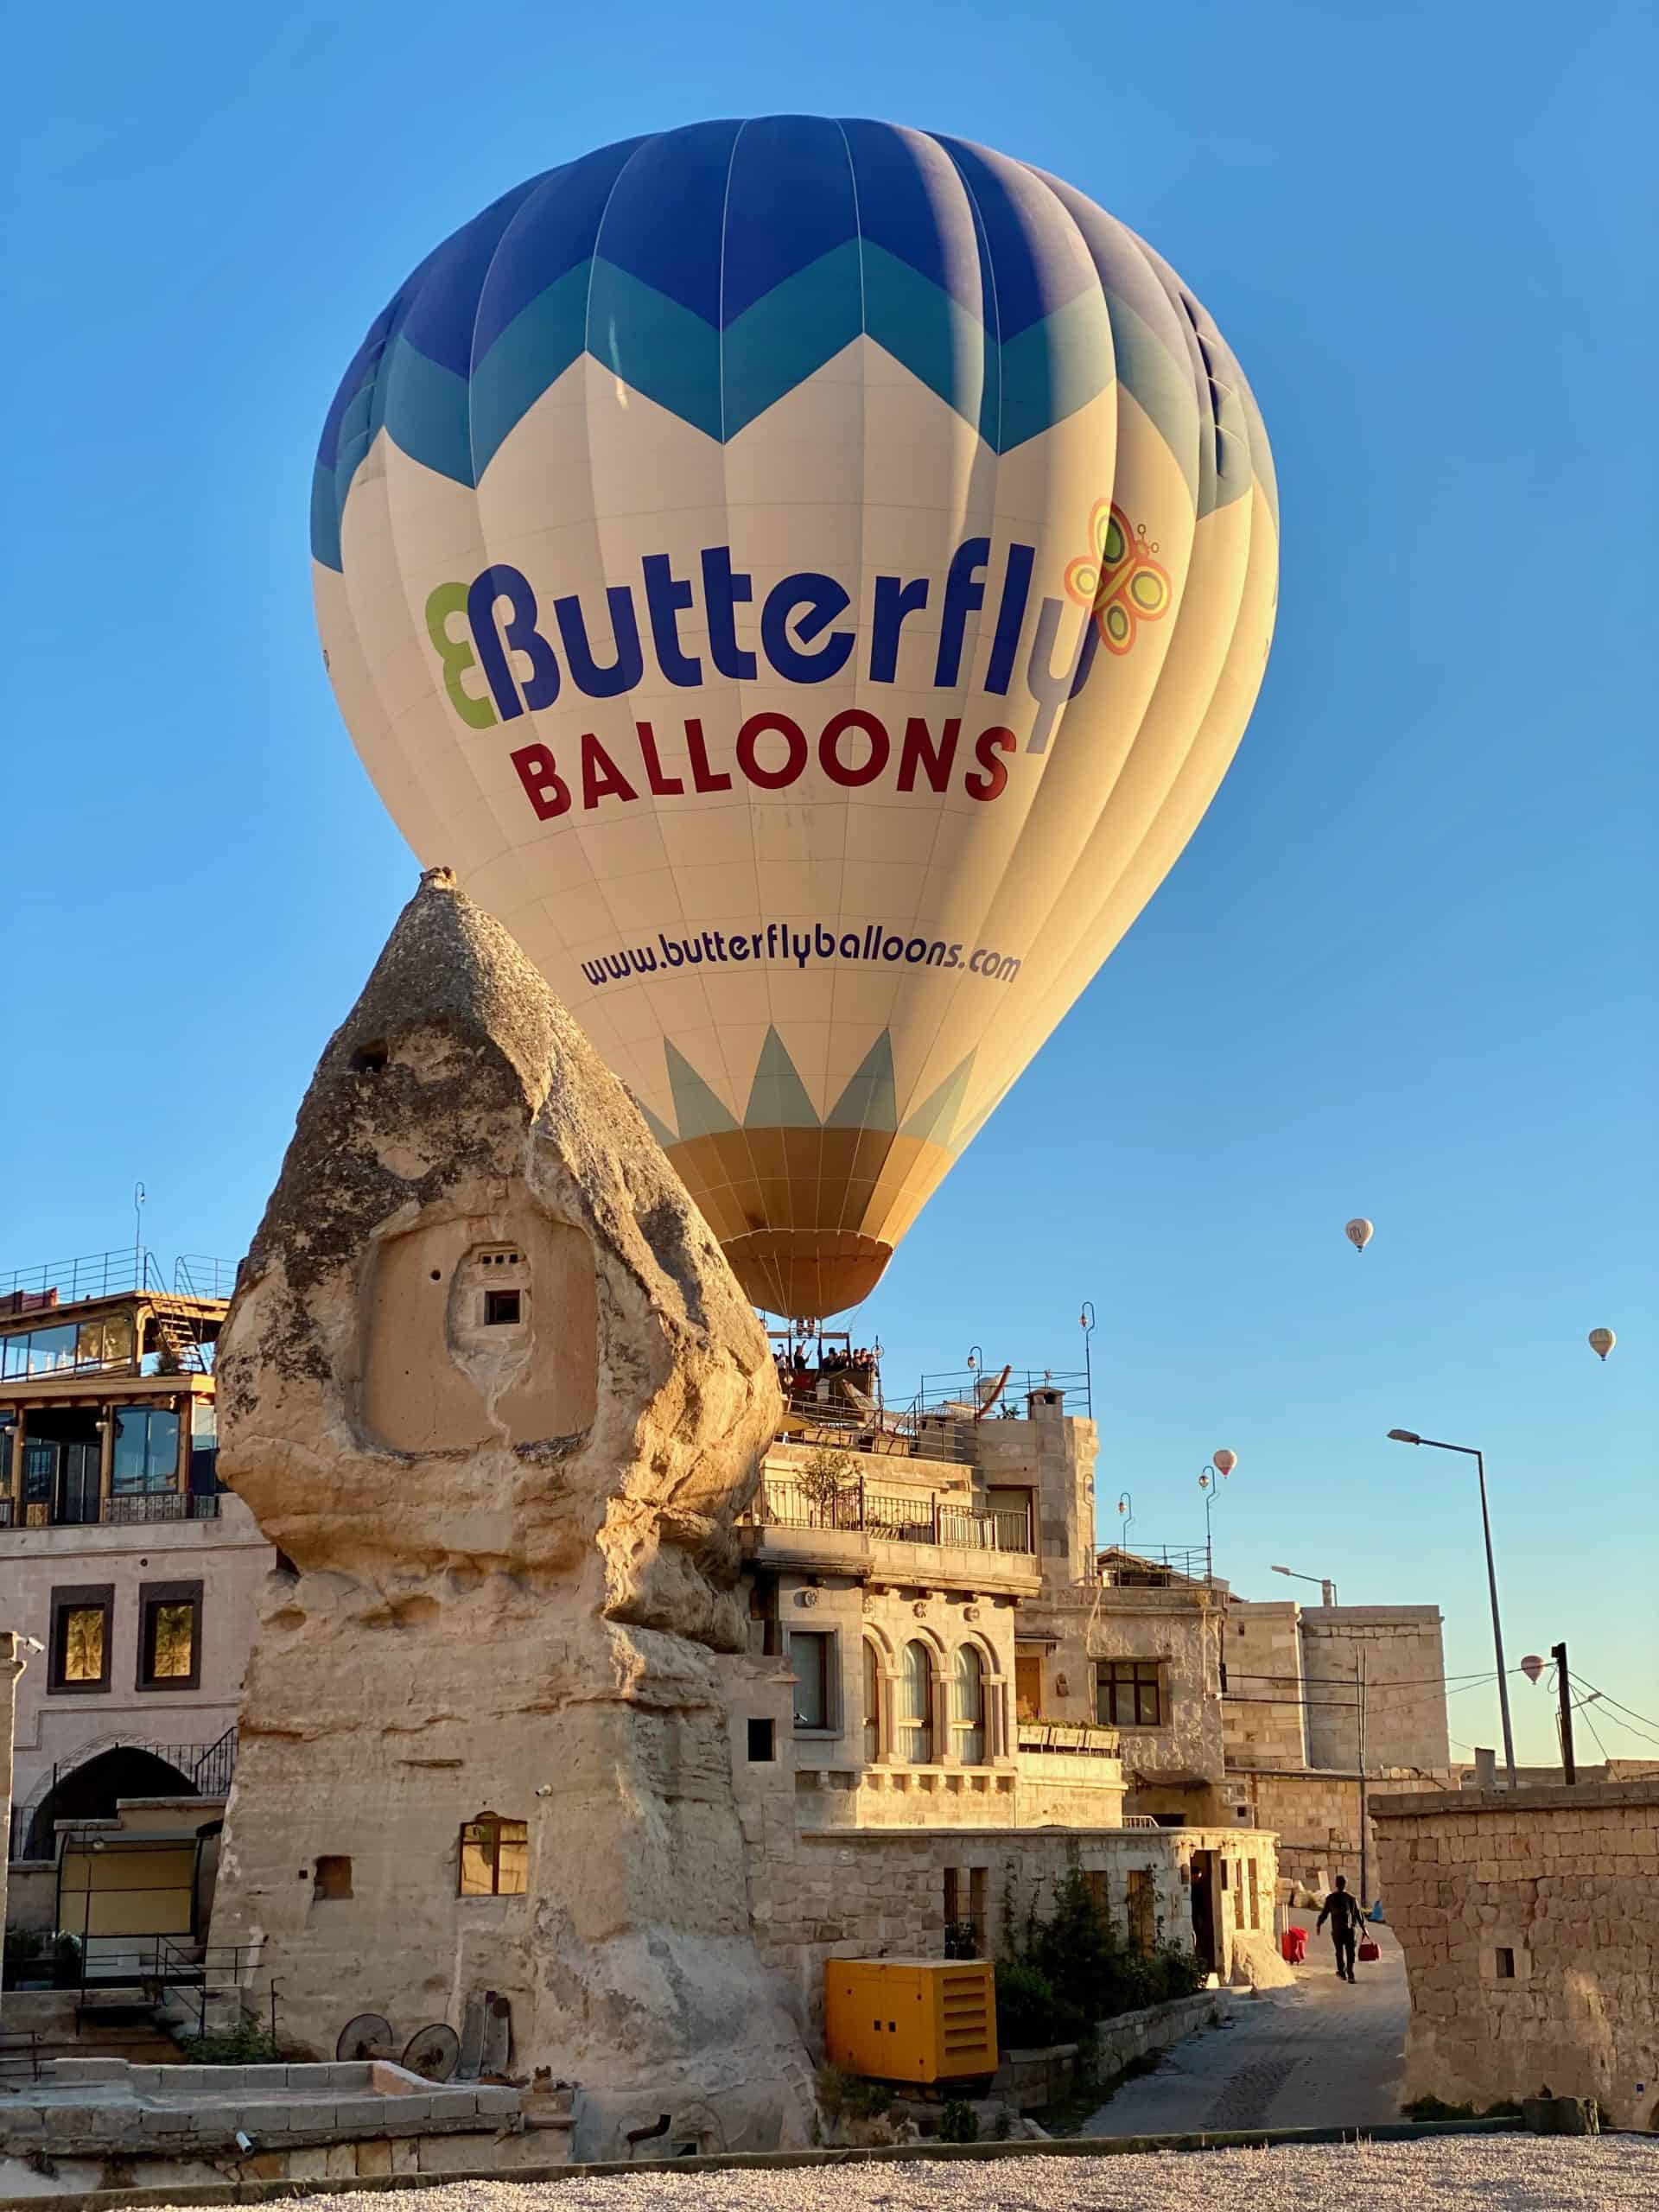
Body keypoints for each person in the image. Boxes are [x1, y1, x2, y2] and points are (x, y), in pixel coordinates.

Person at [1316, 1873, 1366, 1981]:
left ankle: (1342, 1973)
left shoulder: (1331, 1898)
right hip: (1350, 1931)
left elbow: (1324, 1913)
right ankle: (1351, 1975)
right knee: (1350, 1952)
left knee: (1339, 1951)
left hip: (1337, 1930)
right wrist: (1364, 1929)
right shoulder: (1351, 1898)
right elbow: (1358, 1915)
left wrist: (1319, 1924)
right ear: (1345, 1885)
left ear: (1336, 1884)